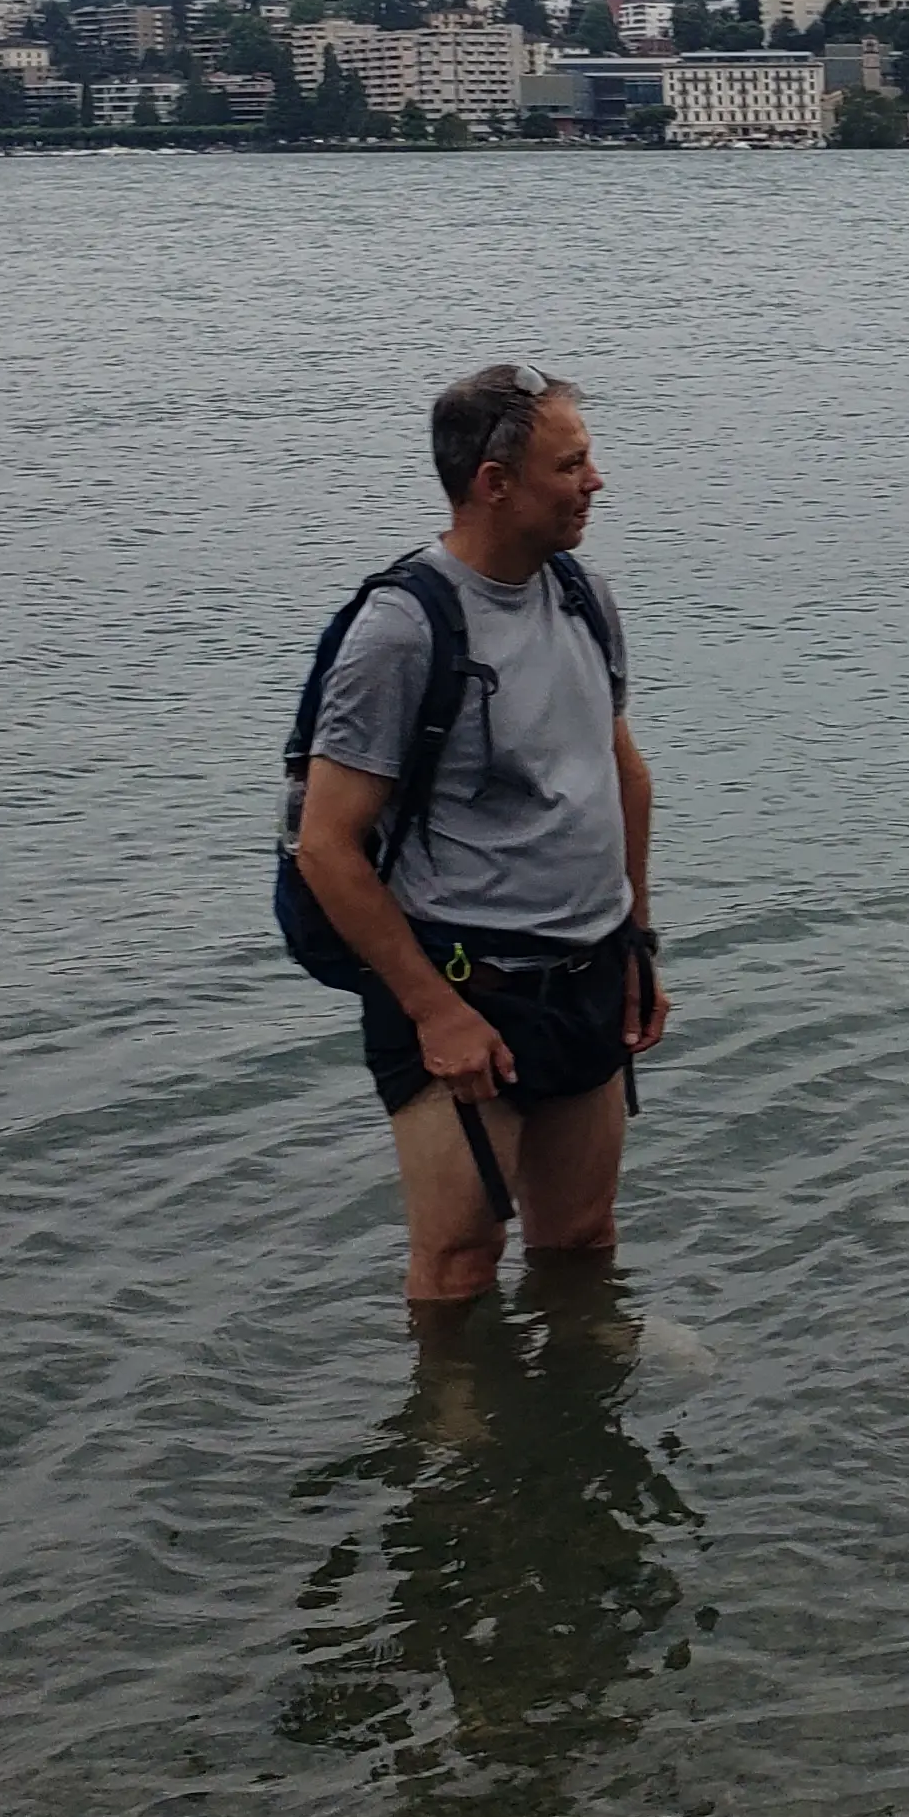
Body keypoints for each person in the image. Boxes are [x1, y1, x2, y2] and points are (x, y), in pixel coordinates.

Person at [294, 364, 668, 1319]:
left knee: (582, 1242)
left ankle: (582, 1436)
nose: (597, 480)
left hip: (587, 974)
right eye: (572, 463)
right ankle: (460, 1458)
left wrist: (637, 939)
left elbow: (620, 770)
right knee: (460, 1270)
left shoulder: (583, 593)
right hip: (465, 987)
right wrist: (435, 1013)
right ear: (495, 483)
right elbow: (326, 846)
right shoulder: (403, 631)